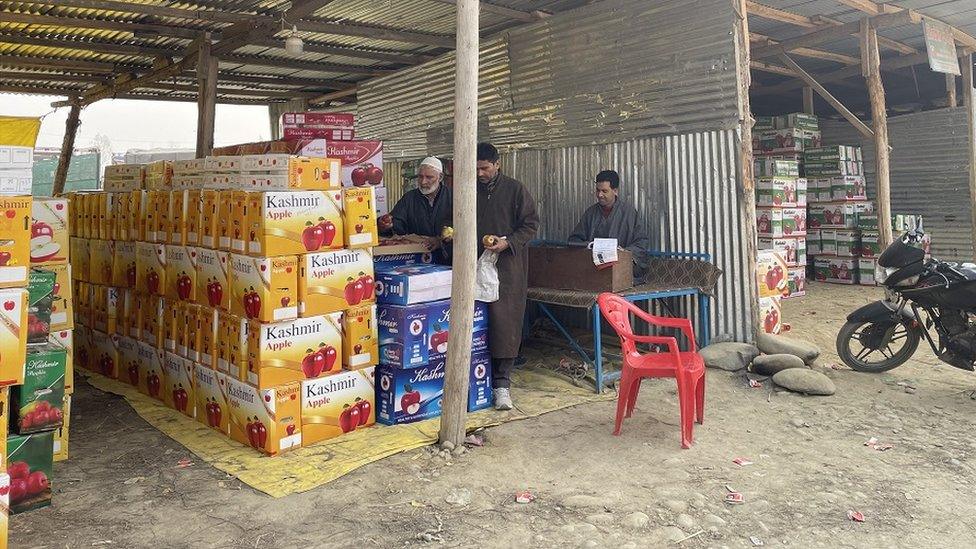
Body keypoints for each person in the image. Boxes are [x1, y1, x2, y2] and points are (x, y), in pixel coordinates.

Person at [476, 142, 540, 410]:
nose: (480, 173)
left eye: (485, 168)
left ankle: (502, 386)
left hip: (507, 268)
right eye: (476, 168)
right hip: (476, 265)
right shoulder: (468, 190)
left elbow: (531, 224)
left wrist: (507, 242)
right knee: (478, 322)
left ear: (497, 164)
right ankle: (477, 382)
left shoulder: (515, 190)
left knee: (505, 323)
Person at [568, 169, 649, 276]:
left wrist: (622, 252)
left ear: (615, 191)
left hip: (620, 269)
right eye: (598, 190)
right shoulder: (590, 213)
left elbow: (641, 243)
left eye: (604, 191)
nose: (600, 195)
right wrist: (590, 245)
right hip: (593, 268)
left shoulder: (629, 213)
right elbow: (573, 240)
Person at [378, 157, 453, 263]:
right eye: (420, 177)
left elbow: (461, 228)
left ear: (440, 177)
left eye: (429, 177)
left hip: (448, 260)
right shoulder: (409, 198)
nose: (423, 182)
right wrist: (385, 225)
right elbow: (396, 223)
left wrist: (439, 240)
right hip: (417, 259)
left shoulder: (453, 197)